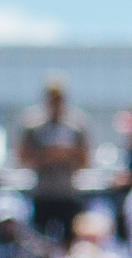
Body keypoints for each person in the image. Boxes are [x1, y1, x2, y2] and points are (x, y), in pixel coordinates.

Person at [23, 78, 93, 246]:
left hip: (67, 192)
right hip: (43, 193)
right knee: (39, 244)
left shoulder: (77, 124)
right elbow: (24, 157)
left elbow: (86, 159)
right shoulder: (33, 125)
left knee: (71, 242)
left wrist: (67, 155)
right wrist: (49, 156)